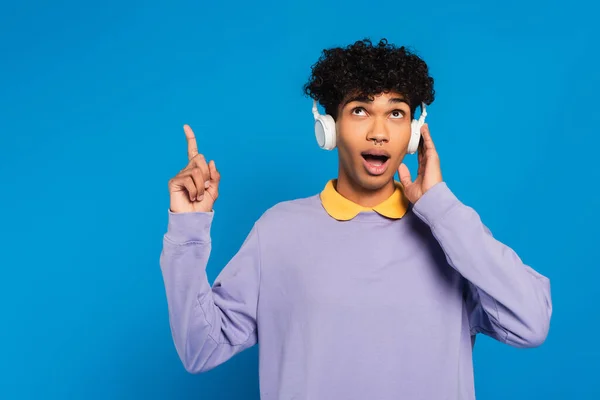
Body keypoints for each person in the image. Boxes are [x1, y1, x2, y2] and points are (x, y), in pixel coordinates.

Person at [159, 38, 552, 400]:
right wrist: (188, 231)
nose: (379, 132)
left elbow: (531, 323)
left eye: (396, 113)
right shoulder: (278, 231)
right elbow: (200, 349)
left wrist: (441, 206)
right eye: (360, 110)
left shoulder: (451, 232)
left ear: (415, 133)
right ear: (329, 128)